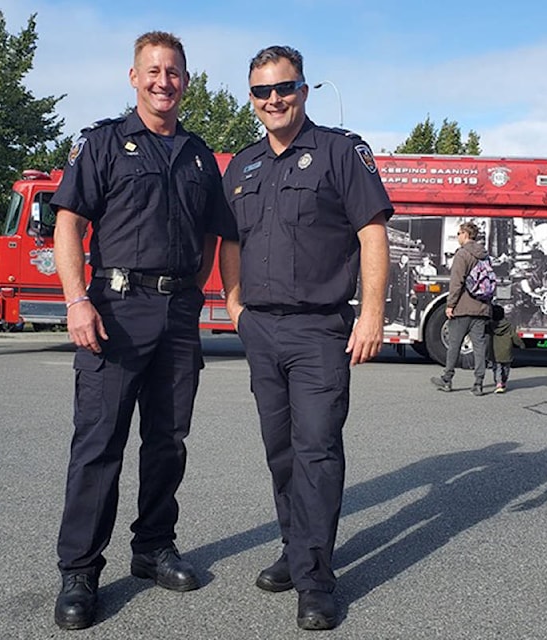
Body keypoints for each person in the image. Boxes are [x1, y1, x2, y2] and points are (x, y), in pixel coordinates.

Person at [48, 31, 238, 631]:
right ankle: (79, 571)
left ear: (186, 80)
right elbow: (69, 225)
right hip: (115, 310)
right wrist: (77, 300)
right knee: (99, 443)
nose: (164, 81)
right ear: (134, 77)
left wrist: (200, 294)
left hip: (178, 314)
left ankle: (153, 546)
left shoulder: (199, 153)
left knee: (167, 442)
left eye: (174, 72)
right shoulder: (102, 143)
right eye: (153, 70)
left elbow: (218, 233)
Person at [221, 45, 392, 631]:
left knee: (317, 447)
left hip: (320, 329)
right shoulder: (241, 166)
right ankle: (297, 551)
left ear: (304, 89)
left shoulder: (340, 152)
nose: (274, 100)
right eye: (262, 92)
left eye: (284, 87)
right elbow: (231, 242)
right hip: (261, 328)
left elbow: (372, 234)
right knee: (281, 450)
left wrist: (371, 316)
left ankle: (316, 578)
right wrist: (235, 305)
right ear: (252, 98)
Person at [430, 221, 493, 396]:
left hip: (463, 307)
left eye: (458, 233)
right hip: (481, 307)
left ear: (465, 234)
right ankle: (479, 383)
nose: (457, 237)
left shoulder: (462, 254)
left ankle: (447, 379)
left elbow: (456, 282)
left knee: (454, 345)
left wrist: (450, 305)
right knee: (479, 347)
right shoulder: (485, 255)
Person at [489, 304, 525, 393]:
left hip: (494, 351)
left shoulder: (490, 326)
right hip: (507, 351)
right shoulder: (509, 326)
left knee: (497, 368)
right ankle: (504, 381)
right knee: (506, 368)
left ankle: (498, 383)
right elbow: (514, 337)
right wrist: (521, 344)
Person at [388, 253, 412, 325]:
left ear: (407, 260)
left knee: (406, 306)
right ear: (400, 258)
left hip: (405, 289)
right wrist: (391, 285)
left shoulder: (408, 269)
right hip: (396, 289)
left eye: (405, 259)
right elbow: (390, 277)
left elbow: (410, 280)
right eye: (402, 258)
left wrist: (411, 289)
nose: (403, 260)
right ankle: (391, 320)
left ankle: (405, 321)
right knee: (394, 305)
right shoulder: (394, 266)